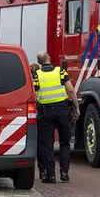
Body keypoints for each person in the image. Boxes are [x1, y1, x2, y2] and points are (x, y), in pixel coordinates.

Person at [32, 51, 80, 183]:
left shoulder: (36, 75)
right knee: (65, 142)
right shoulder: (60, 72)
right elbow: (70, 90)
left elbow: (34, 94)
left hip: (45, 112)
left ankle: (51, 175)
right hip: (63, 110)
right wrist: (76, 107)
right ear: (49, 58)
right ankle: (64, 172)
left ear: (40, 62)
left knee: (47, 144)